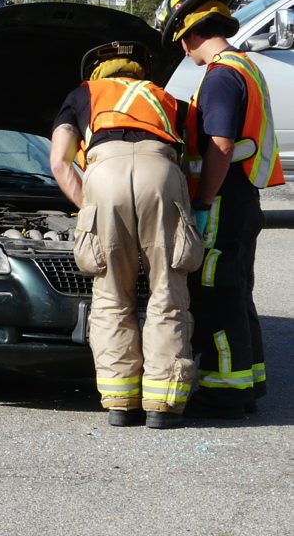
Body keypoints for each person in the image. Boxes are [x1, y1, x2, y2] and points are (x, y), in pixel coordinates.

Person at [50, 41, 204, 429]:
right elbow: (193, 153)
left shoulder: (83, 93)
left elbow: (60, 160)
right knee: (167, 290)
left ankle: (120, 402)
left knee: (111, 293)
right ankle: (162, 405)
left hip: (104, 177)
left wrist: (91, 207)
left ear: (97, 72)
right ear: (140, 72)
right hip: (161, 173)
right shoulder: (164, 97)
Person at [156, 0, 285, 419]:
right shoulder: (245, 67)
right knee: (236, 292)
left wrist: (202, 203)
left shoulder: (220, 76)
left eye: (178, 37)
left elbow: (221, 145)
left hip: (225, 199)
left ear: (189, 34)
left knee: (215, 296)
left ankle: (225, 392)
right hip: (241, 198)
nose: (180, 47)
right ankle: (248, 382)